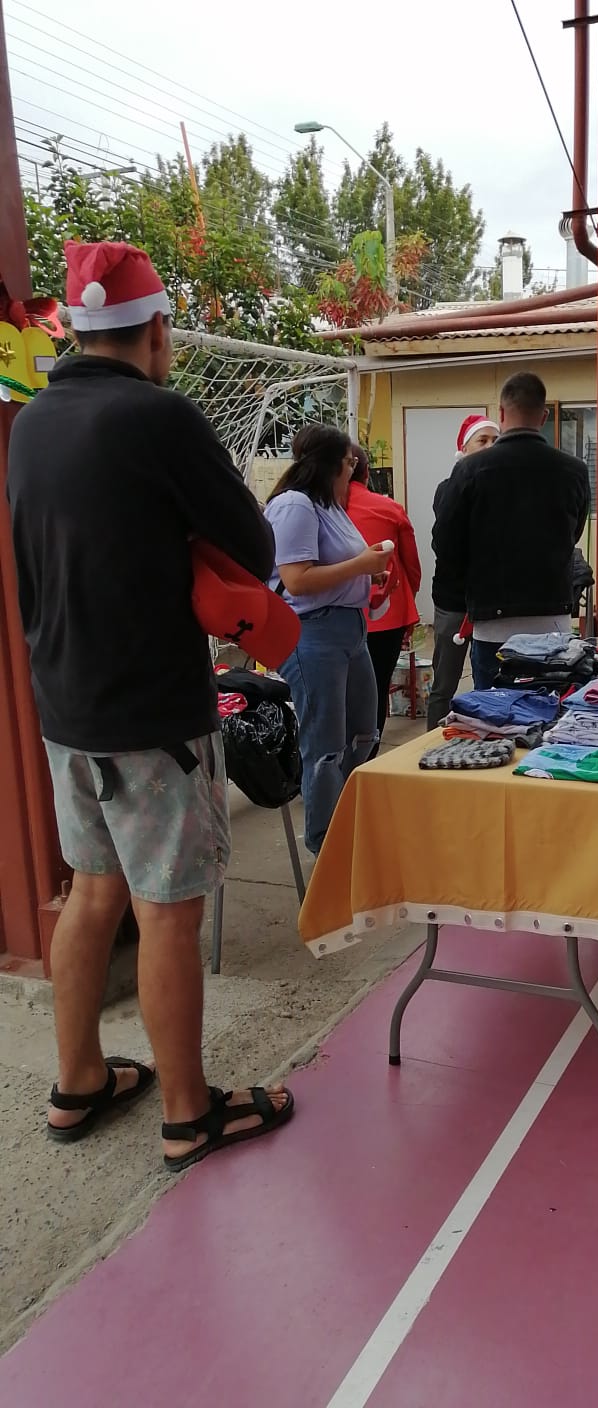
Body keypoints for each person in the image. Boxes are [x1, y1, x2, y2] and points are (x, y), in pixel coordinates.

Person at [7, 239, 294, 1171]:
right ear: (157, 331)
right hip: (153, 718)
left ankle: (79, 1082)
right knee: (168, 911)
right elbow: (253, 547)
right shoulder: (160, 416)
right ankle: (187, 1113)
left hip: (67, 712)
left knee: (92, 894)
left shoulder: (34, 422)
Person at [265, 425, 393, 854]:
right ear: (337, 463)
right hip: (313, 632)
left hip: (349, 629)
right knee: (325, 746)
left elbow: (337, 566)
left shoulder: (329, 505)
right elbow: (296, 580)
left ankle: (347, 821)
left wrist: (368, 573)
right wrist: (361, 566)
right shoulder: (295, 505)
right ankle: (325, 842)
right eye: (351, 462)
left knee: (364, 730)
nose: (354, 470)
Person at [433, 375, 590, 690]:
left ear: (502, 414)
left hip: (493, 621)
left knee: (493, 714)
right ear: (543, 416)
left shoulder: (469, 470)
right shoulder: (574, 470)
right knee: (549, 710)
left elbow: (446, 544)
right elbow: (573, 533)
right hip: (553, 618)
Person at [345, 443, 422, 752]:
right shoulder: (389, 508)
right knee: (375, 689)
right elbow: (411, 566)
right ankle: (368, 756)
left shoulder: (318, 508)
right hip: (385, 613)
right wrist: (408, 604)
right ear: (366, 473)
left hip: (331, 614)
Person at [427, 414, 499, 727]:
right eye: (482, 440)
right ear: (464, 448)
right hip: (453, 600)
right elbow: (446, 544)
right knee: (444, 683)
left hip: (494, 603)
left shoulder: (506, 491)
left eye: (495, 440)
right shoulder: (448, 489)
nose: (490, 446)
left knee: (492, 683)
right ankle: (430, 742)